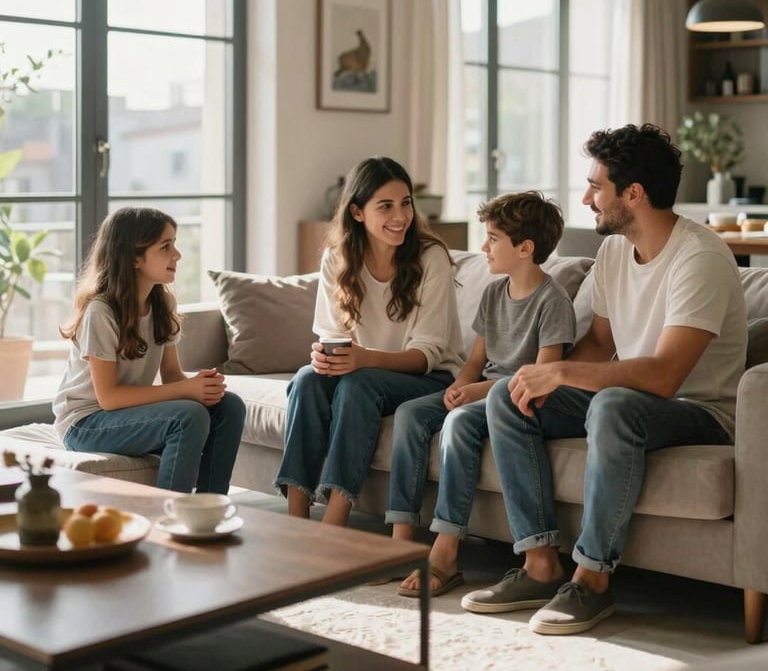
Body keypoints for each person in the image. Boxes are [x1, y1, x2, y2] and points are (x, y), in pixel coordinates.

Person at [461, 124, 747, 635]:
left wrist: (565, 371)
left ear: (633, 194)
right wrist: (545, 376)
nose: (588, 198)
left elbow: (664, 376)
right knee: (510, 393)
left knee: (611, 405)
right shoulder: (615, 251)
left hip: (699, 410)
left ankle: (591, 582)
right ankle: (540, 564)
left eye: (596, 186)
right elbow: (597, 343)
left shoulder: (699, 258)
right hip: (630, 398)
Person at [390, 192, 576, 598]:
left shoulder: (553, 301)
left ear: (525, 249)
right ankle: (399, 534)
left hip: (515, 397)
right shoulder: (494, 294)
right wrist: (460, 385)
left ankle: (445, 552)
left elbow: (542, 375)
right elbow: (476, 360)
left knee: (458, 423)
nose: (483, 248)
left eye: (493, 239)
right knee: (410, 414)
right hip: (480, 389)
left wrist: (476, 392)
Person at [274, 156, 465, 527]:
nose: (401, 216)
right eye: (386, 206)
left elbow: (428, 354)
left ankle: (335, 522)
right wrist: (328, 357)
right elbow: (334, 335)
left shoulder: (431, 257)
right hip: (365, 372)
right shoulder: (337, 258)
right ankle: (295, 522)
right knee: (306, 380)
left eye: (406, 203)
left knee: (360, 383)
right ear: (358, 212)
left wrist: (363, 360)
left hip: (430, 376)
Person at [54, 207, 246, 494]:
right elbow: (109, 398)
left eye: (175, 244)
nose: (177, 255)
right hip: (85, 424)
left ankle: (209, 507)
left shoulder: (162, 304)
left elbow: (171, 375)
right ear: (133, 257)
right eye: (166, 246)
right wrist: (187, 391)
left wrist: (201, 385)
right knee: (188, 416)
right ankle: (170, 512)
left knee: (229, 406)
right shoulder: (101, 312)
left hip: (129, 412)